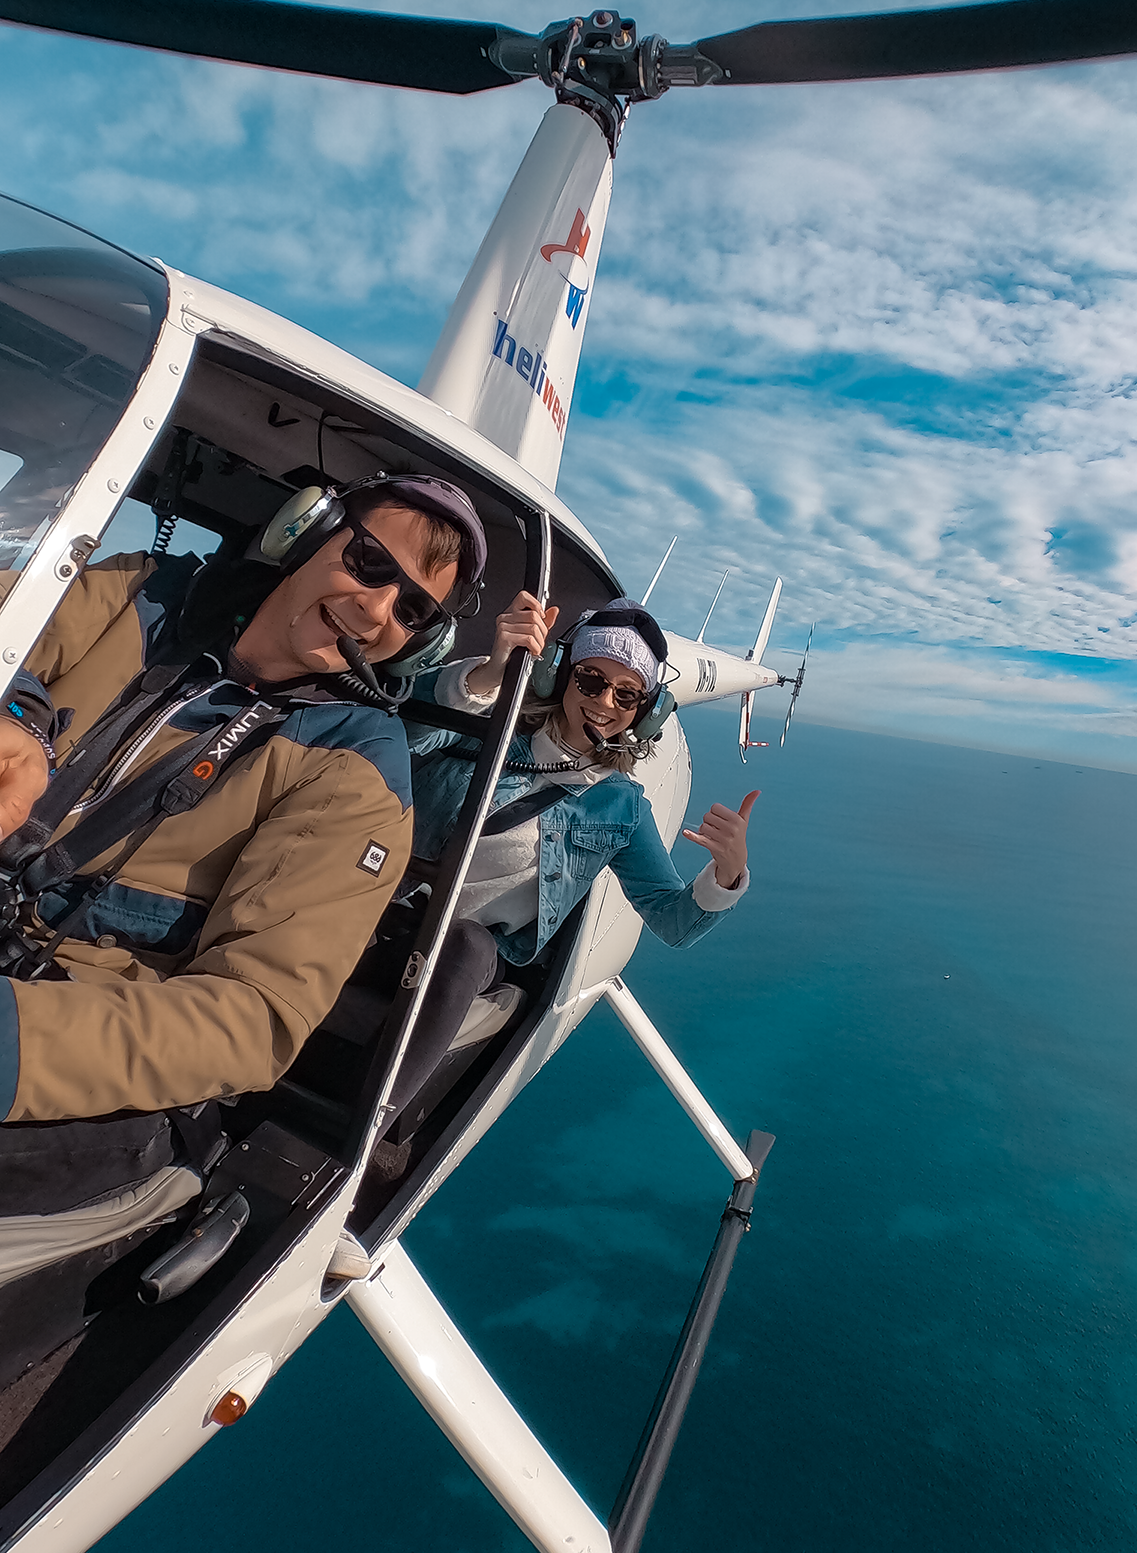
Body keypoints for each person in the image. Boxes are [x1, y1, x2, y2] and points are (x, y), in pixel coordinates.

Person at [0, 474, 487, 1125]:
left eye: (413, 612)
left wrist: (16, 1044)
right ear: (306, 532)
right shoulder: (142, 592)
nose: (377, 611)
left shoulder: (356, 769)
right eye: (371, 564)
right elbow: (13, 618)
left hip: (57, 1020)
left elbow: (253, 1018)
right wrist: (18, 713)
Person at [402, 590, 758, 1065]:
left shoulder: (619, 807)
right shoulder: (491, 715)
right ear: (560, 675)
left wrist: (728, 875)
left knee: (467, 946)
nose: (605, 702)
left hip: (465, 951)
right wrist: (489, 672)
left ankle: (374, 1122)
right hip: (387, 901)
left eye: (626, 694)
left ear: (645, 711)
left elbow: (673, 923)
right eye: (591, 680)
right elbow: (406, 735)